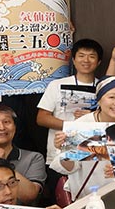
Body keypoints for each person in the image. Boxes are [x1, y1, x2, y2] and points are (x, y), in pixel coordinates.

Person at [51, 77, 115, 201]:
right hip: (86, 197)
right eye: (111, 97)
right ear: (99, 100)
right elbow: (70, 167)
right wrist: (65, 151)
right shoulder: (82, 124)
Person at [36, 39, 102, 167]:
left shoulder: (104, 88)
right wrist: (72, 127)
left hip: (94, 154)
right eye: (81, 56)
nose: (86, 60)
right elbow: (42, 118)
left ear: (98, 62)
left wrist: (93, 116)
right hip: (59, 153)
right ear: (73, 60)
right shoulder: (56, 85)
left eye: (92, 56)